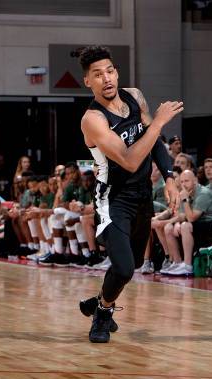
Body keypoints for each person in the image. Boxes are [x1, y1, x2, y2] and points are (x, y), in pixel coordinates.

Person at [76, 45, 183, 343]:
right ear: (88, 81)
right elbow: (130, 159)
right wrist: (160, 121)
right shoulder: (92, 119)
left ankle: (98, 301)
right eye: (97, 75)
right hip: (114, 198)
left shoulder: (134, 96)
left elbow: (154, 144)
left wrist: (170, 177)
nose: (106, 78)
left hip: (142, 195)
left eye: (110, 71)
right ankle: (102, 314)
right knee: (122, 267)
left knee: (133, 265)